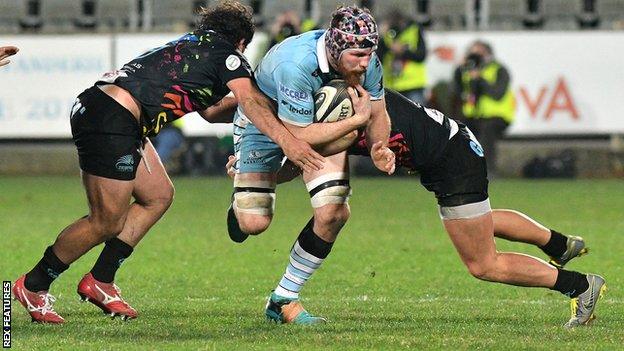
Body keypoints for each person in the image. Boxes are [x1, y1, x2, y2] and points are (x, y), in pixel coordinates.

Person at [12, 0, 324, 324]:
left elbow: (213, 111)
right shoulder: (227, 54)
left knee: (158, 195)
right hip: (113, 117)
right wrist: (290, 140)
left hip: (115, 113)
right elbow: (249, 101)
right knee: (106, 221)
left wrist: (271, 107)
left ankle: (100, 280)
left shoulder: (196, 48)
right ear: (242, 41)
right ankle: (34, 285)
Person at [238, 89, 605, 328]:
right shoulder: (360, 96)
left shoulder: (344, 123)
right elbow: (306, 156)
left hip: (452, 162)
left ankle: (580, 286)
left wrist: (260, 173)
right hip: (453, 145)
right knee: (480, 221)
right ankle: (559, 244)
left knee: (483, 263)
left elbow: (307, 157)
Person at [227, 5, 395, 324]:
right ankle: (240, 196)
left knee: (333, 212)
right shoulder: (295, 64)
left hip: (314, 125)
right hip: (264, 122)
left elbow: (378, 112)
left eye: (369, 52)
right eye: (358, 54)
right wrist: (356, 120)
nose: (366, 61)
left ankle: (283, 299)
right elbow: (299, 136)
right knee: (254, 223)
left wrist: (378, 146)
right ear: (335, 48)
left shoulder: (367, 60)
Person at [452, 40, 515, 175]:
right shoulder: (466, 70)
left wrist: (480, 78)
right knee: (456, 129)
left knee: (487, 130)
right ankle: (461, 170)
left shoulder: (499, 70)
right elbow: (459, 91)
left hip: (497, 116)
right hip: (474, 115)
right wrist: (460, 68)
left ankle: (487, 169)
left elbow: (497, 93)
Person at [377, 10, 427, 105]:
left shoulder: (414, 30)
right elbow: (378, 58)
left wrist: (403, 52)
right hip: (393, 86)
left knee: (416, 118)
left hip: (413, 84)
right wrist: (381, 38)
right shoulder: (386, 34)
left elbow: (421, 55)